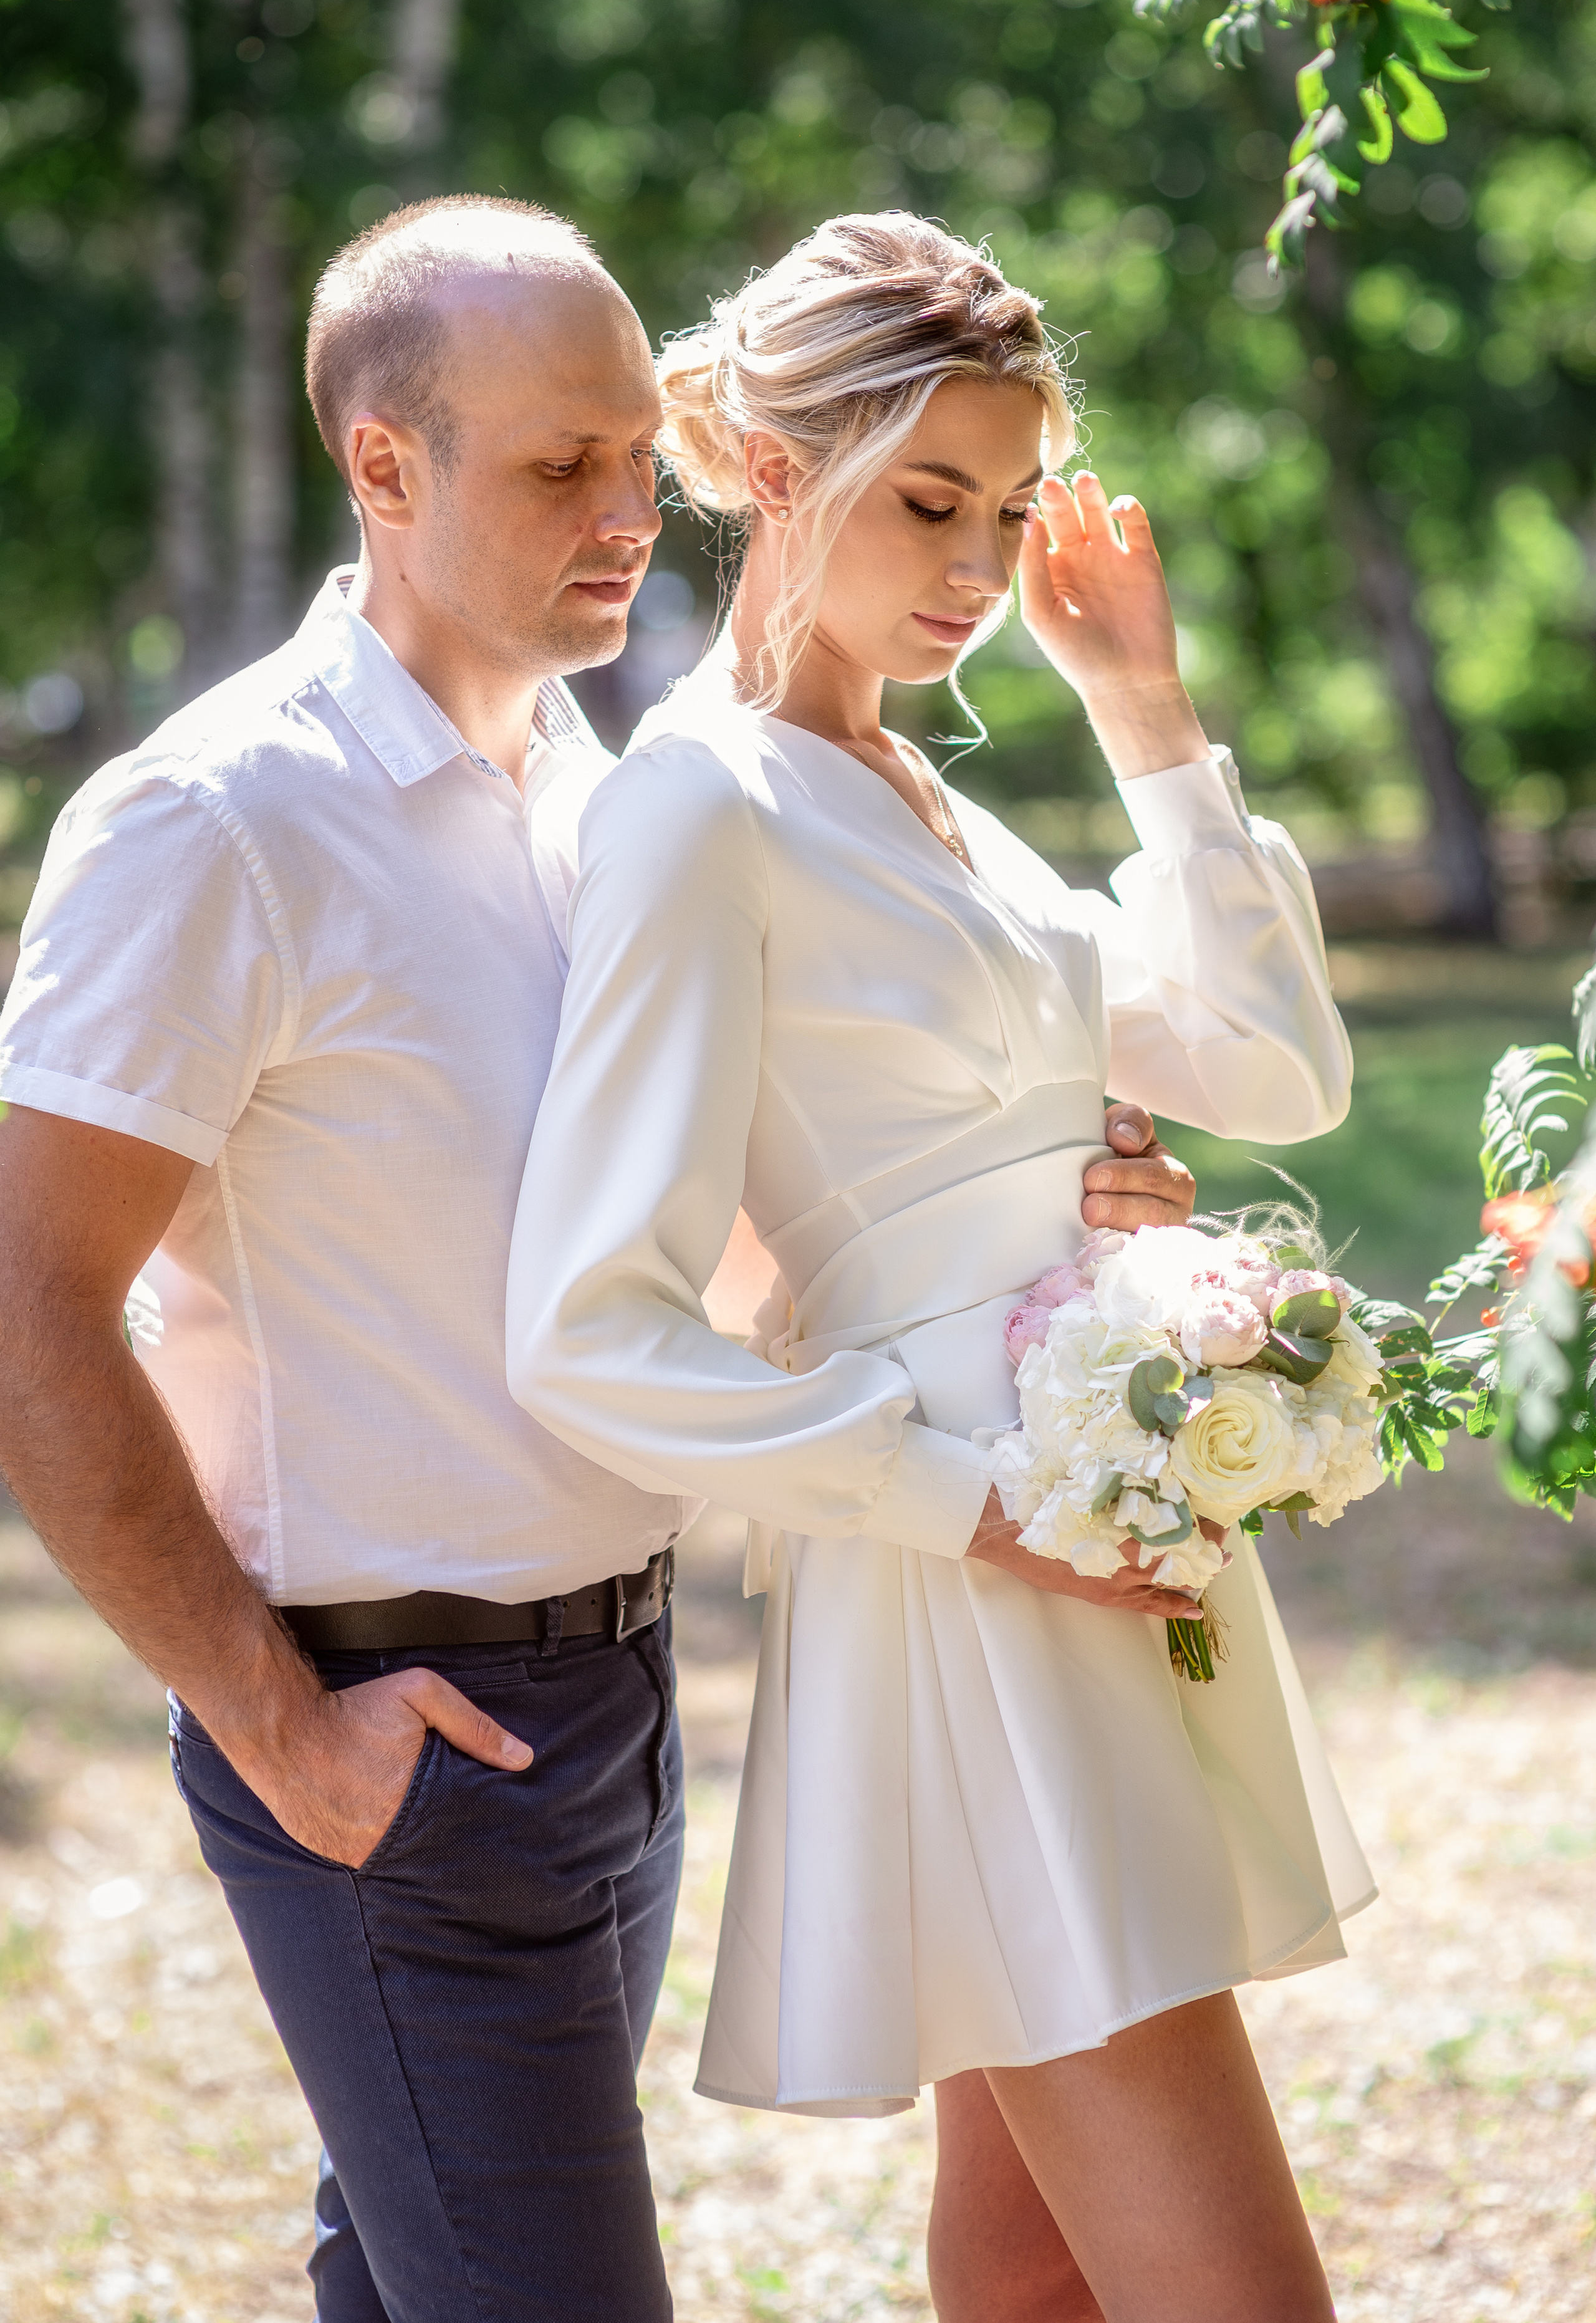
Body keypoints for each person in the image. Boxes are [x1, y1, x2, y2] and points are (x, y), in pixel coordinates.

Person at [0, 195, 1191, 2322]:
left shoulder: (601, 790)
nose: (636, 512)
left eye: (645, 454)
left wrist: (1041, 1191)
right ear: (387, 466)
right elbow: (29, 1309)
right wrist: (289, 1734)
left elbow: (705, 1246)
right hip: (395, 1729)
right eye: (564, 465)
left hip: (618, 1705)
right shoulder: (215, 823)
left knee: (410, 2277)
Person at [506, 212, 1374, 2323]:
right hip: (979, 1576)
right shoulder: (700, 808)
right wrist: (969, 1500)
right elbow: (586, 1325)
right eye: (930, 501)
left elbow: (1279, 1068)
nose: (981, 563)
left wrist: (1146, 710)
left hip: (1089, 1546)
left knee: (1038, 2260)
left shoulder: (932, 800)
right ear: (771, 468)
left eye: (1007, 505)